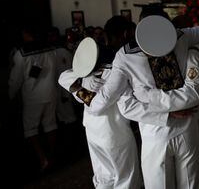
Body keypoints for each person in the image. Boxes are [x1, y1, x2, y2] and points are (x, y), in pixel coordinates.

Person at [86, 11, 199, 189]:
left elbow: (121, 104)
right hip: (187, 125)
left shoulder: (124, 56)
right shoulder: (181, 36)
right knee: (190, 182)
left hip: (155, 131)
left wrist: (152, 100)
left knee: (160, 183)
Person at [59, 16, 143, 189]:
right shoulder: (120, 68)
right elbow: (101, 104)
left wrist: (81, 84)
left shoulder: (84, 74)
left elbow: (63, 76)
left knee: (103, 178)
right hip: (115, 132)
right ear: (127, 33)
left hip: (93, 131)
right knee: (126, 179)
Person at [8, 26, 58, 171]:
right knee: (50, 124)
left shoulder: (21, 53)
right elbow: (55, 71)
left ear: (26, 33)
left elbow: (15, 79)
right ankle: (52, 155)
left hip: (32, 96)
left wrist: (11, 94)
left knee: (30, 128)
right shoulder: (51, 49)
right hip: (50, 92)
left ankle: (43, 159)